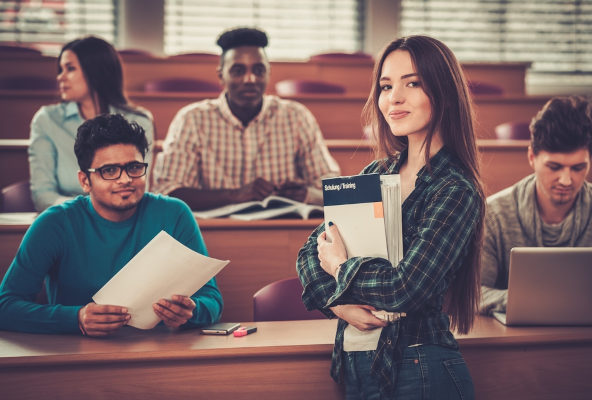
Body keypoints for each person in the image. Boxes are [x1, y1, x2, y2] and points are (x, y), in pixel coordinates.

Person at [297, 36, 484, 399]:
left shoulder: (456, 189)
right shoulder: (375, 173)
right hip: (358, 365)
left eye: (412, 83)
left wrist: (340, 269)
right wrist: (338, 303)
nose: (393, 97)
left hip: (422, 367)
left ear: (443, 91)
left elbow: (405, 289)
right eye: (386, 86)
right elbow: (309, 253)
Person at [0, 114, 222, 336]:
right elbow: (5, 305)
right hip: (77, 354)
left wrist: (191, 312)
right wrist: (75, 318)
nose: (125, 179)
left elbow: (212, 300)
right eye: (109, 171)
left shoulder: (174, 213)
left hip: (159, 352)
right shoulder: (54, 223)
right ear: (85, 181)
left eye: (134, 167)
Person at [152, 27, 339, 210]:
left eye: (258, 70)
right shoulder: (191, 119)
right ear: (221, 76)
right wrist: (235, 195)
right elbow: (167, 190)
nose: (250, 79)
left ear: (268, 73)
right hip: (213, 234)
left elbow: (332, 186)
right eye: (238, 71)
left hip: (283, 233)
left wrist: (306, 194)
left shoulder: (297, 117)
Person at [480, 96, 592, 315]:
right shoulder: (493, 214)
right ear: (531, 157)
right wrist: (543, 302)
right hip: (519, 342)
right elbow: (474, 294)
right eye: (554, 167)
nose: (566, 180)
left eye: (578, 168)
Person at [29, 35, 154, 212]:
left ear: (95, 72)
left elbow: (138, 188)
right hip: (68, 220)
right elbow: (43, 195)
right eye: (60, 70)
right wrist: (90, 213)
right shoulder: (47, 120)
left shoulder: (139, 121)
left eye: (70, 69)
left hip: (122, 219)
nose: (60, 78)